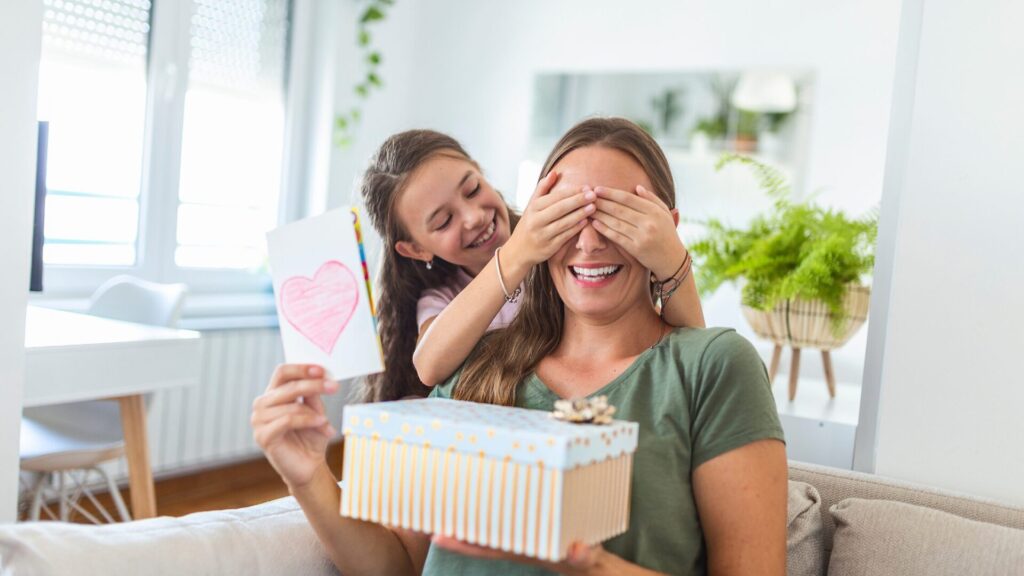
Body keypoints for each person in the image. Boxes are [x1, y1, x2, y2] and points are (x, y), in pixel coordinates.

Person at [252, 118, 786, 575]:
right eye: (566, 215)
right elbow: (396, 565)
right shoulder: (473, 366)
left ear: (665, 230)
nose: (589, 240)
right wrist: (308, 477)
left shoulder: (714, 367)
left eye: (616, 215)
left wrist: (586, 562)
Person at [359, 128, 705, 402]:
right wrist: (518, 254)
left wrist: (669, 257)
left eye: (472, 189)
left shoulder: (562, 249)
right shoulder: (442, 298)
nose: (474, 217)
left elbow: (694, 355)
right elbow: (429, 365)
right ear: (416, 249)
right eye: (444, 221)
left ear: (482, 173)